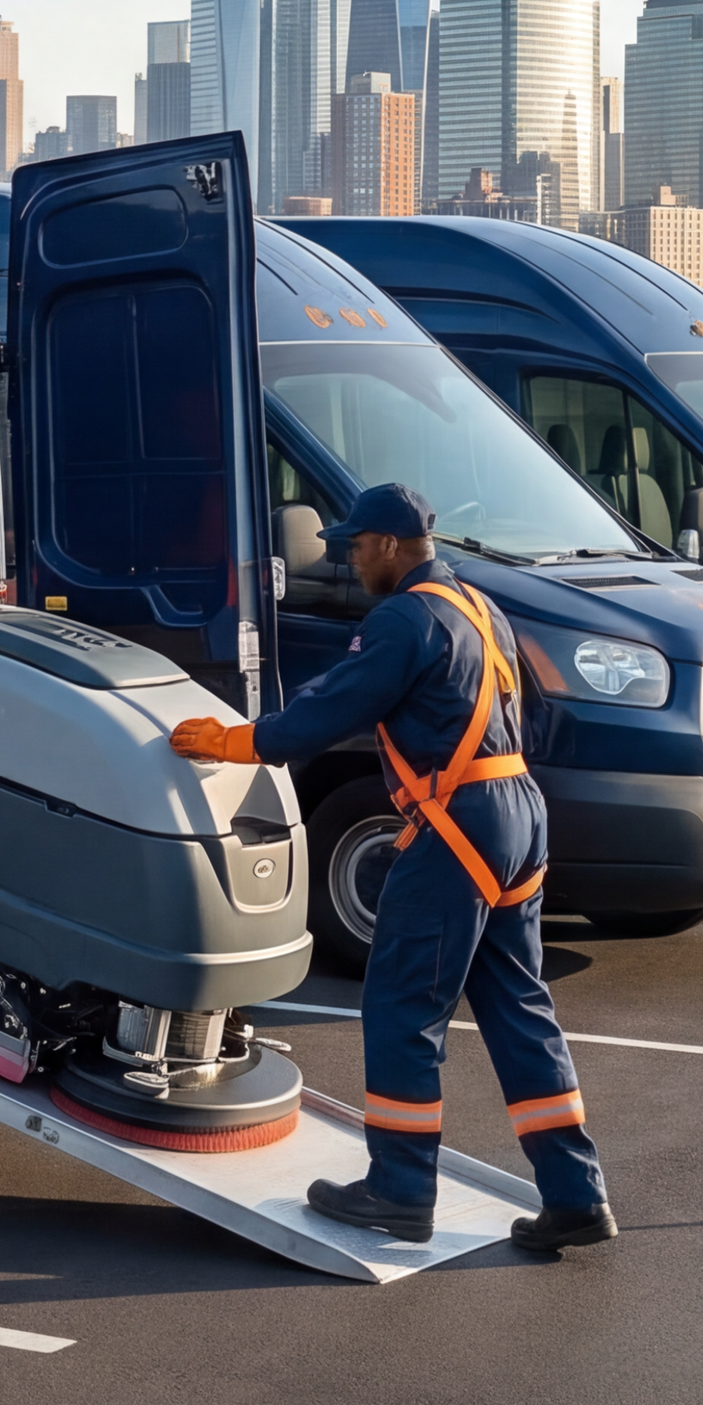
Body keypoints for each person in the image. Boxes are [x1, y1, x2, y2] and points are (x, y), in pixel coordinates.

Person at [168, 480, 615, 1256]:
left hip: (459, 824)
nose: (348, 558)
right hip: (516, 813)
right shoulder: (483, 610)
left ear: (389, 545)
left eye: (355, 545)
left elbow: (333, 706)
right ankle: (576, 1193)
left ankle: (401, 1191)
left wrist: (235, 741)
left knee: (403, 1006)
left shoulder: (404, 617)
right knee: (518, 1006)